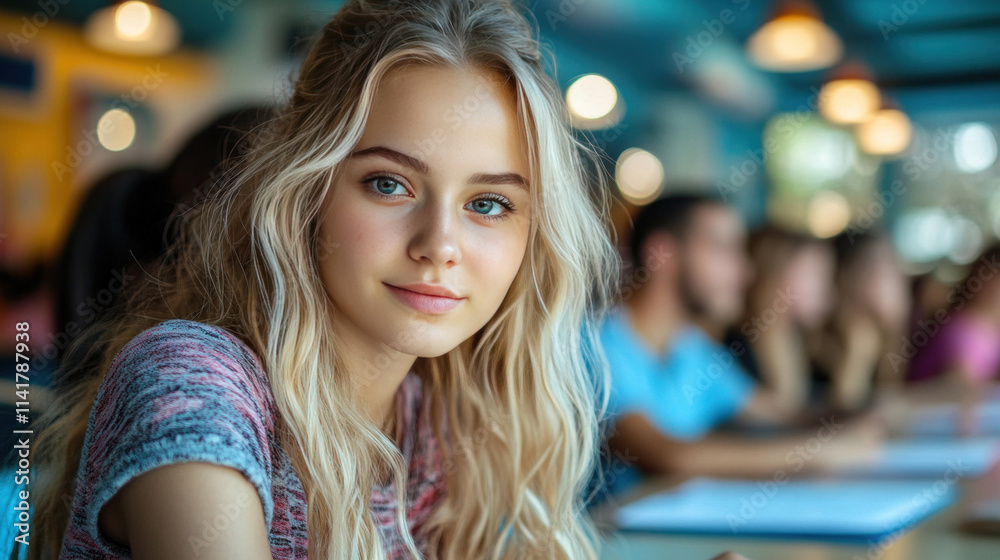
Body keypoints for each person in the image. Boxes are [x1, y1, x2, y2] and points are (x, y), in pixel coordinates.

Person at [29, 1, 625, 558]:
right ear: (303, 193)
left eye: (490, 203)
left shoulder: (434, 419)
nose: (439, 246)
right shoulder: (190, 383)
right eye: (389, 184)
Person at [598, 195, 882, 494]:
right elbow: (667, 454)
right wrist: (821, 452)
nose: (745, 272)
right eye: (724, 249)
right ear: (662, 253)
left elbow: (784, 414)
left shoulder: (692, 350)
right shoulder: (598, 343)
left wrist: (860, 417)